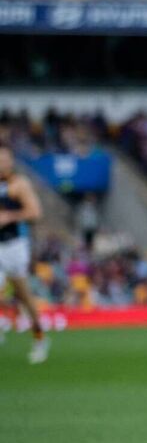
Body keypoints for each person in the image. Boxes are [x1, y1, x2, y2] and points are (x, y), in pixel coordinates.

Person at [0, 144, 49, 363]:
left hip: (14, 246)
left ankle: (39, 337)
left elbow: (35, 212)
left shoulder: (18, 184)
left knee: (24, 295)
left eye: (5, 159)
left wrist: (10, 217)